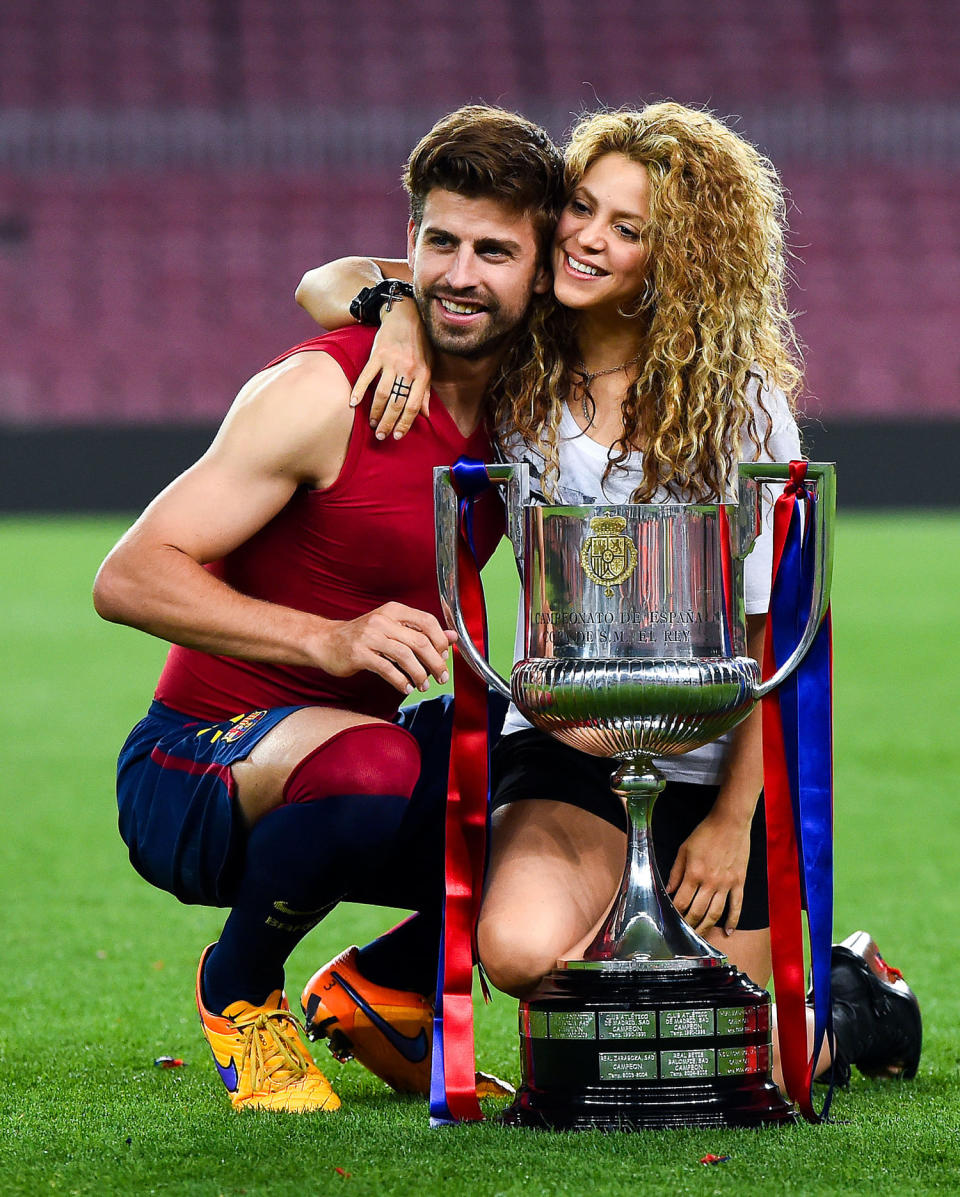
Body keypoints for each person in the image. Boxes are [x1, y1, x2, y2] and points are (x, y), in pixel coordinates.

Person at [294, 102, 922, 1093]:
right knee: (519, 951)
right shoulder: (514, 353)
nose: (589, 237)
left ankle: (855, 996)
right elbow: (323, 280)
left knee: (759, 1066)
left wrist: (730, 823)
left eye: (628, 229)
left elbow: (775, 626)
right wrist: (401, 314)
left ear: (677, 255)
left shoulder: (741, 399)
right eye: (582, 208)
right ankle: (433, 964)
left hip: (718, 752)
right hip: (567, 742)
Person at [93, 104, 564, 1113]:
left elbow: (337, 280)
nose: (460, 275)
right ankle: (239, 990)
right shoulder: (327, 391)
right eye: (439, 243)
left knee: (558, 781)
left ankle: (384, 990)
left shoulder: (525, 406)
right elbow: (129, 576)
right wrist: (329, 638)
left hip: (350, 755)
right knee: (379, 761)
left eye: (494, 250)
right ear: (410, 245)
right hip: (196, 769)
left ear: (540, 269)